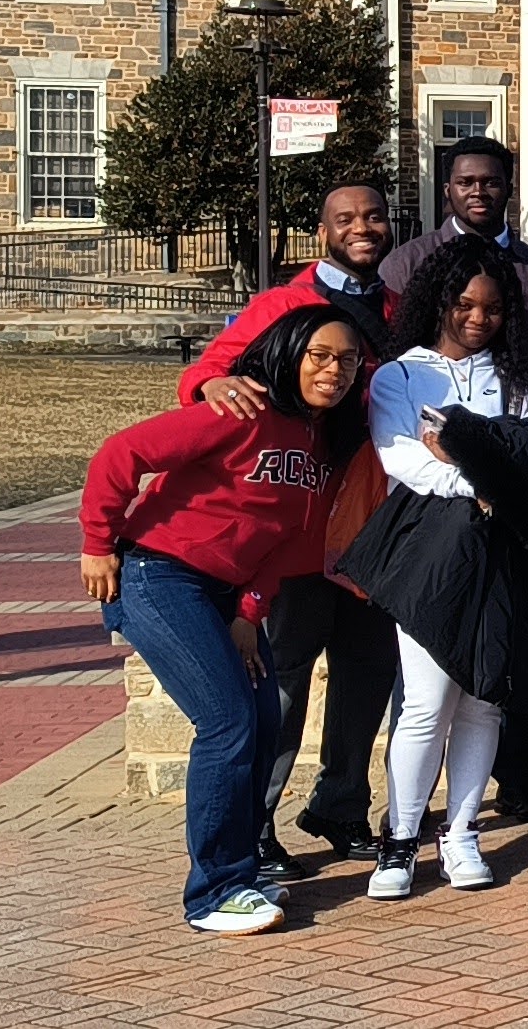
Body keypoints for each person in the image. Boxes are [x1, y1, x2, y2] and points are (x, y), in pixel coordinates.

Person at [77, 304, 371, 937]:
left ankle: (242, 872)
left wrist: (248, 612)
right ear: (291, 353)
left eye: (347, 360)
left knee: (263, 719)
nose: (334, 370)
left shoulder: (322, 442)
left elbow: (287, 541)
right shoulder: (240, 412)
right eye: (320, 355)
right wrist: (98, 543)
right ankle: (214, 892)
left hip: (226, 591)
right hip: (158, 575)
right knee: (228, 720)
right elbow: (120, 455)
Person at [183, 181, 399, 863]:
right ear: (323, 230)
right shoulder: (283, 304)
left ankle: (339, 806)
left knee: (368, 672)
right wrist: (212, 385)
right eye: (346, 219)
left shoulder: (399, 309)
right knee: (283, 677)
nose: (361, 227)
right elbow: (210, 373)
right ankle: (255, 821)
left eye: (373, 216)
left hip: (374, 523)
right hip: (302, 521)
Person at [359, 239, 528, 897]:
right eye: (464, 304)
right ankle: (400, 841)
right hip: (432, 546)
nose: (479, 318)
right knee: (425, 704)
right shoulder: (400, 376)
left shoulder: (523, 381)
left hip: (506, 543)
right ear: (438, 302)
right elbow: (405, 461)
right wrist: (485, 469)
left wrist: (470, 455)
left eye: (493, 307)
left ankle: (460, 834)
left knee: (483, 702)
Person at [376, 135, 528, 337]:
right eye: (465, 182)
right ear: (448, 190)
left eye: (491, 182)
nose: (478, 192)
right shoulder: (405, 264)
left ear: (509, 190)